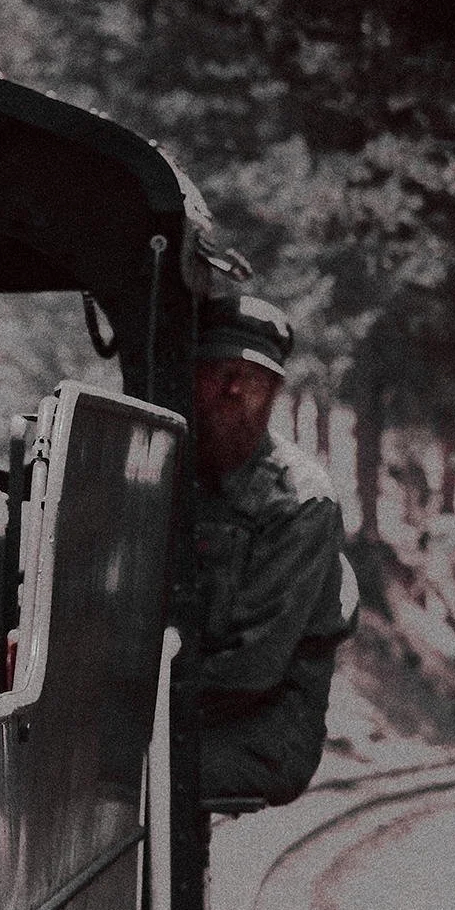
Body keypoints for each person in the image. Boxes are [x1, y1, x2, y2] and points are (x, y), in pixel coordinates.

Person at [193, 293, 358, 807]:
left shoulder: (301, 500)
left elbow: (251, 669)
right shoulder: (175, 472)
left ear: (273, 393)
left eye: (253, 379)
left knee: (105, 775)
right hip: (185, 711)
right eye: (220, 372)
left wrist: (110, 701)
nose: (233, 390)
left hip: (265, 731)